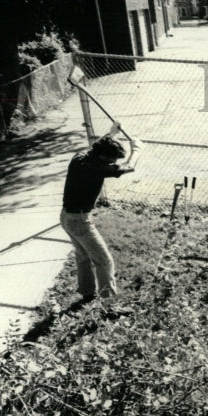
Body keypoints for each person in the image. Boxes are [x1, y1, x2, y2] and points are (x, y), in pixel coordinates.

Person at [60, 124, 140, 303]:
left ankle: (87, 292)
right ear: (103, 157)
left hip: (65, 217)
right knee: (104, 261)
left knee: (83, 255)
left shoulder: (81, 156)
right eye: (111, 160)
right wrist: (137, 149)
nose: (113, 164)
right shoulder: (96, 168)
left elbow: (97, 145)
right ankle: (109, 304)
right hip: (79, 221)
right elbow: (129, 167)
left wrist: (112, 133)